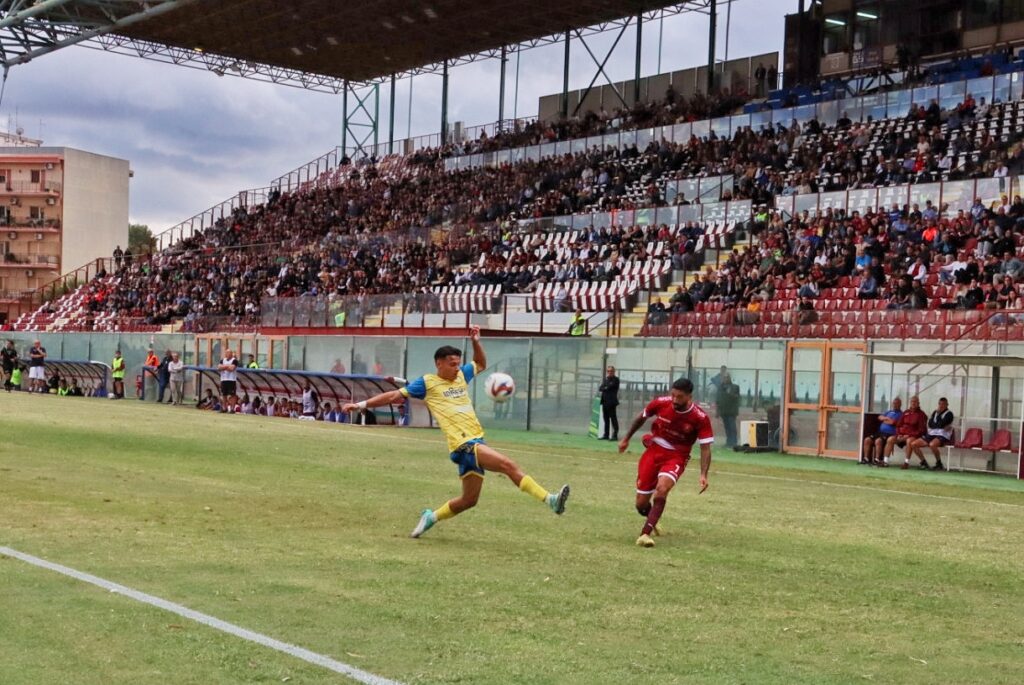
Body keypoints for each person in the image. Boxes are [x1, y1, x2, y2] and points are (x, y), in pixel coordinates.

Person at [342, 326, 570, 538]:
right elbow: (393, 396)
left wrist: (476, 342)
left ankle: (431, 516)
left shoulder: (461, 375)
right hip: (463, 443)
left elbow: (480, 363)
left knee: (469, 500)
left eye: (458, 363)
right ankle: (550, 500)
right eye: (452, 363)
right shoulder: (426, 383)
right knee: (507, 465)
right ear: (439, 363)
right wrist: (360, 405)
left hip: (475, 440)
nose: (457, 367)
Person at [618, 378, 713, 548]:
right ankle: (652, 519)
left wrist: (703, 474)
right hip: (653, 452)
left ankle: (644, 534)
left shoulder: (700, 417)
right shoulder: (661, 403)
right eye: (673, 395)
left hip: (676, 456)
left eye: (680, 397)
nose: (675, 400)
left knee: (662, 490)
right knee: (640, 505)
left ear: (689, 396)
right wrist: (626, 438)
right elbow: (642, 417)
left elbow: (705, 447)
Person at [909, 397, 953, 470]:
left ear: (947, 405)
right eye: (940, 404)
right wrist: (936, 424)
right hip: (931, 434)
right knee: (913, 444)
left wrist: (937, 420)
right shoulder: (935, 412)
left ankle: (939, 463)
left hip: (942, 435)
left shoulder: (949, 414)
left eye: (943, 404)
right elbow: (930, 424)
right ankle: (924, 462)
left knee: (932, 445)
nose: (941, 405)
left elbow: (941, 424)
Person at [886, 396, 927, 468]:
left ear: (918, 403)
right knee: (890, 439)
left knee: (909, 441)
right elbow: (898, 425)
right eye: (912, 402)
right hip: (902, 435)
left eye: (915, 402)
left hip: (914, 436)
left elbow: (921, 430)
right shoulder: (906, 412)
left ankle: (906, 462)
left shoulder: (921, 414)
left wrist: (909, 435)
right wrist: (899, 434)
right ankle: (885, 461)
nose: (913, 403)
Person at [863, 397, 902, 466]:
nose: (895, 405)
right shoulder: (889, 412)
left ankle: (877, 460)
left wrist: (885, 420)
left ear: (900, 404)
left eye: (897, 403)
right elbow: (880, 417)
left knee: (878, 441)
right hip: (880, 432)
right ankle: (866, 459)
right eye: (894, 403)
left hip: (889, 433)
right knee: (867, 440)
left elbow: (892, 423)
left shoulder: (901, 414)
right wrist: (886, 418)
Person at [716, 373, 740, 448]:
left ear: (730, 378)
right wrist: (717, 411)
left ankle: (734, 442)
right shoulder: (720, 387)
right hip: (724, 411)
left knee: (732, 427)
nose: (725, 379)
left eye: (727, 377)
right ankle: (728, 442)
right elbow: (718, 400)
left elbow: (737, 397)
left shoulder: (735, 387)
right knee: (727, 427)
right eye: (724, 377)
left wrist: (730, 393)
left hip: (732, 411)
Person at [598, 365, 620, 441]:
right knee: (606, 419)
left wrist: (605, 387)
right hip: (604, 402)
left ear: (614, 372)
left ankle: (615, 435)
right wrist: (605, 387)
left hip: (611, 402)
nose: (610, 372)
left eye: (611, 371)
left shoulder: (616, 379)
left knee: (613, 419)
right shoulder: (606, 379)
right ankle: (606, 435)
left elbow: (610, 387)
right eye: (608, 371)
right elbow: (600, 388)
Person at [218, 348, 239, 413]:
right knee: (224, 394)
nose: (228, 354)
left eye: (229, 353)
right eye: (227, 353)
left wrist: (224, 367)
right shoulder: (222, 360)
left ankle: (232, 409)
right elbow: (219, 367)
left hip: (231, 380)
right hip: (224, 379)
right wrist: (227, 366)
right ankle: (224, 408)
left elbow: (232, 368)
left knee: (232, 395)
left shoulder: (234, 360)